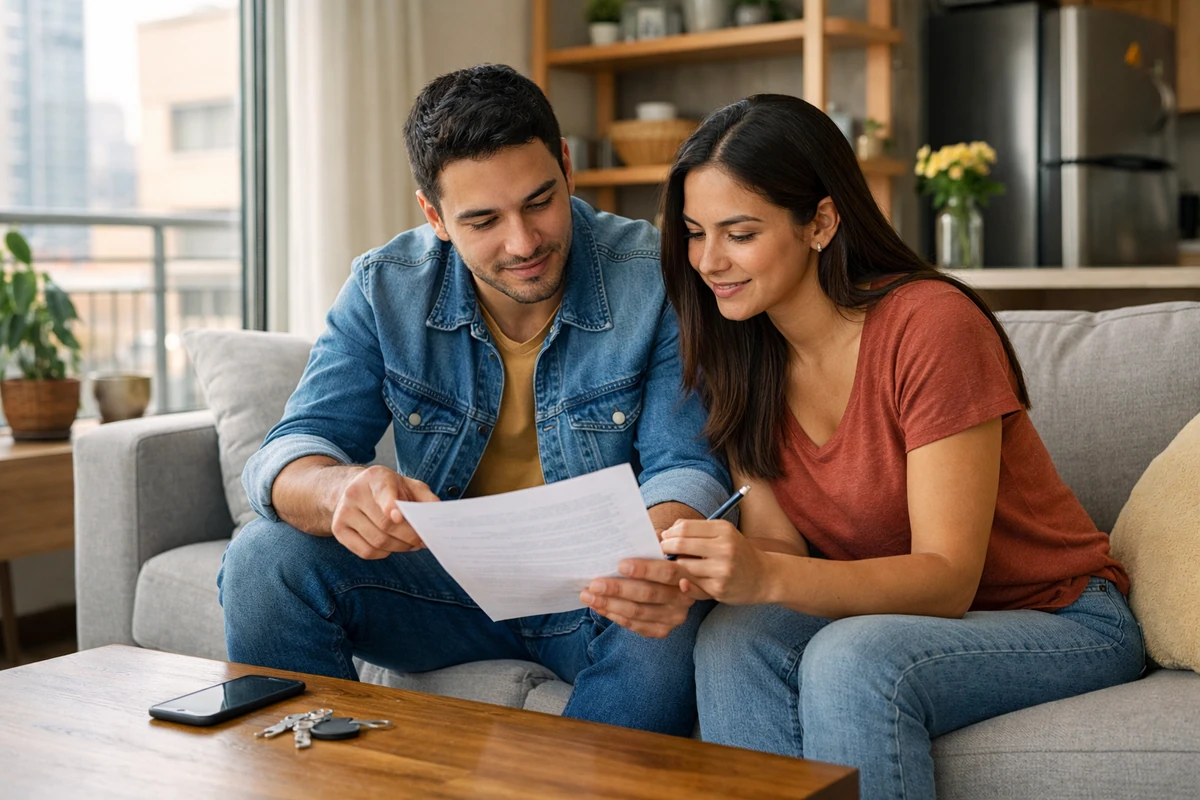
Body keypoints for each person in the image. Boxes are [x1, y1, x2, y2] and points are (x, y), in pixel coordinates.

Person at [645, 94, 1144, 793]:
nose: (709, 261)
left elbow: (946, 576)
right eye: (695, 233)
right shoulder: (741, 356)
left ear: (820, 221)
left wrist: (768, 577)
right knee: (734, 637)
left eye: (739, 233)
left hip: (1058, 615)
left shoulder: (930, 327)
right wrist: (708, 571)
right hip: (900, 616)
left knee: (853, 659)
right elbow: (781, 548)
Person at [217, 64, 731, 737]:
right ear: (434, 215)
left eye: (539, 202)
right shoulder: (385, 288)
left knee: (666, 620)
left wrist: (647, 563)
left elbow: (686, 468)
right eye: (483, 220)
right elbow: (291, 450)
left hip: (597, 591)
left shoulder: (654, 277)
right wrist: (340, 489)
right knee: (262, 560)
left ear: (568, 168)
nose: (523, 243)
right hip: (447, 590)